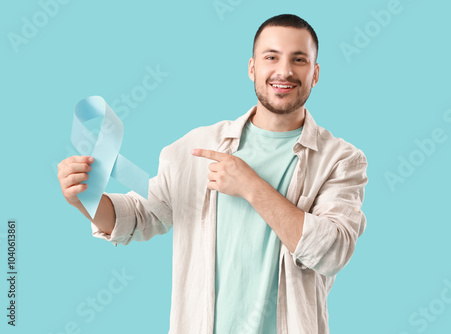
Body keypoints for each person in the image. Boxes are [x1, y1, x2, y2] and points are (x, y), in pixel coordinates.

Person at [57, 14, 368, 334]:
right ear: (252, 68)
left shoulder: (341, 161)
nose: (284, 71)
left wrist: (251, 186)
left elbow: (332, 251)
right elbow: (141, 216)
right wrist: (85, 199)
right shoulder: (196, 147)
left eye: (299, 59)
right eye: (271, 57)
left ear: (315, 73)